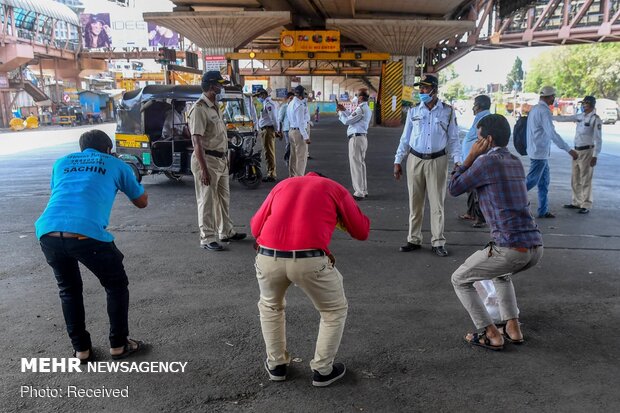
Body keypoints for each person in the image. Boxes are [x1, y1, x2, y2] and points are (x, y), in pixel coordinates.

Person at [35, 130, 148, 363]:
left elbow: (61, 192)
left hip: (48, 231)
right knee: (116, 285)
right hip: (86, 233)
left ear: (81, 148)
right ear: (108, 148)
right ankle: (118, 344)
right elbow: (142, 202)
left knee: (68, 290)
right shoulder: (115, 164)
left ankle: (81, 350)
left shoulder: (61, 162)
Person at [250, 172, 370, 387]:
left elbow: (255, 226)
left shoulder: (284, 185)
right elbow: (361, 231)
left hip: (268, 255)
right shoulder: (335, 188)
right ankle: (323, 370)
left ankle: (276, 365)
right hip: (310, 260)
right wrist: (340, 217)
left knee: (270, 307)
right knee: (333, 310)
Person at [448, 114, 543, 351]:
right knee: (501, 274)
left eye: (477, 139)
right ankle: (512, 327)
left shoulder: (485, 162)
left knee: (459, 279)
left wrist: (469, 157)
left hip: (509, 248)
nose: (475, 143)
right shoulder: (515, 161)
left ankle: (490, 333)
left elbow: (454, 188)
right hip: (535, 247)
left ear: (487, 140)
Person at [393, 75, 461, 257]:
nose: (421, 91)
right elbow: (405, 138)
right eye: (420, 88)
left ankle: (438, 241)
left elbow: (454, 139)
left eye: (424, 88)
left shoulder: (448, 111)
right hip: (415, 160)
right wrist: (398, 160)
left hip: (438, 161)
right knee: (415, 203)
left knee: (437, 203)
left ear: (435, 90)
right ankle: (413, 239)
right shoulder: (414, 111)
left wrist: (457, 161)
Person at [188, 71, 246, 251]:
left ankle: (226, 231)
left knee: (223, 199)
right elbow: (196, 142)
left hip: (220, 160)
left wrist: (226, 158)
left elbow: (219, 136)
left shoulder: (215, 107)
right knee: (207, 201)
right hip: (207, 160)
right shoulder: (199, 109)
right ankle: (207, 237)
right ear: (211, 86)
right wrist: (204, 170)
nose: (221, 87)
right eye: (219, 84)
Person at [525, 86, 578, 218]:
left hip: (537, 151)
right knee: (530, 181)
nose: (554, 99)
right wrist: (568, 149)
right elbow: (552, 133)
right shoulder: (543, 111)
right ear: (548, 97)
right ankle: (510, 199)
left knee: (544, 182)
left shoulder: (535, 109)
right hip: (539, 153)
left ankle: (543, 210)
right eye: (553, 96)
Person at [553, 95, 602, 214]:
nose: (583, 105)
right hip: (576, 151)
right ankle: (576, 202)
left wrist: (595, 156)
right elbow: (565, 118)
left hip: (587, 151)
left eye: (585, 103)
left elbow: (598, 139)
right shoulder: (580, 116)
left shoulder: (595, 119)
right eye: (583, 103)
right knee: (575, 178)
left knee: (585, 179)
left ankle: (586, 204)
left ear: (590, 104)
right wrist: (549, 116)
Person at [459, 95, 492, 228]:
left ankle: (480, 217)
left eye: (474, 104)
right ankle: (471, 212)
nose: (473, 107)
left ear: (479, 106)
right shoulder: (479, 118)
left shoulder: (485, 119)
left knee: (477, 188)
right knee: (471, 188)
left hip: (476, 159)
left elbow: (484, 140)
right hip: (471, 159)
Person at [337, 88, 372, 200]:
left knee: (356, 166)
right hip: (361, 138)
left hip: (356, 139)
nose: (355, 98)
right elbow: (352, 117)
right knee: (361, 165)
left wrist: (339, 113)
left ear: (361, 98)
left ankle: (359, 192)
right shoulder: (364, 108)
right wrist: (343, 110)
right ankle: (363, 189)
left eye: (357, 95)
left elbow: (347, 121)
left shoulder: (361, 109)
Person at [256, 88, 280, 182]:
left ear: (263, 95)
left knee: (269, 152)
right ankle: (270, 172)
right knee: (268, 152)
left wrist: (277, 130)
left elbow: (274, 118)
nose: (258, 98)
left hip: (268, 130)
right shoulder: (266, 103)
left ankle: (271, 174)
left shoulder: (269, 104)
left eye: (259, 96)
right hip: (266, 130)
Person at [286, 85, 311, 177]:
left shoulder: (291, 103)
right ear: (301, 94)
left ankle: (292, 176)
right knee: (301, 157)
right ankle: (299, 178)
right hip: (298, 132)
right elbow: (300, 123)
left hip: (291, 131)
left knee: (293, 157)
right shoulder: (299, 105)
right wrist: (306, 137)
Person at [278, 91, 294, 165]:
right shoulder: (284, 107)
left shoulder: (294, 107)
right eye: (290, 98)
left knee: (293, 144)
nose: (292, 100)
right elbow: (280, 119)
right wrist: (279, 131)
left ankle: (291, 158)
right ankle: (286, 158)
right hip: (287, 129)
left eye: (293, 99)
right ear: (287, 99)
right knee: (289, 144)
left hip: (294, 128)